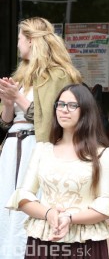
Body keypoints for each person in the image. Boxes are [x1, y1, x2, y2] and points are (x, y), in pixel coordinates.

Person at [6, 83, 109, 258]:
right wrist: (49, 213)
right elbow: (23, 197)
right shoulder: (42, 150)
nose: (64, 110)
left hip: (85, 244)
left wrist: (70, 218)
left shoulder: (103, 155)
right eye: (60, 104)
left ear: (86, 111)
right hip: (44, 240)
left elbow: (105, 207)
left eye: (72, 105)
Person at [0, 17, 82, 259]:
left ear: (31, 40)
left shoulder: (58, 75)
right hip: (13, 147)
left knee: (33, 201)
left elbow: (54, 119)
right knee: (7, 203)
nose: (17, 45)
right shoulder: (22, 74)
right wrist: (7, 101)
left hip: (39, 147)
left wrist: (20, 99)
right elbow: (6, 121)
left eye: (19, 40)